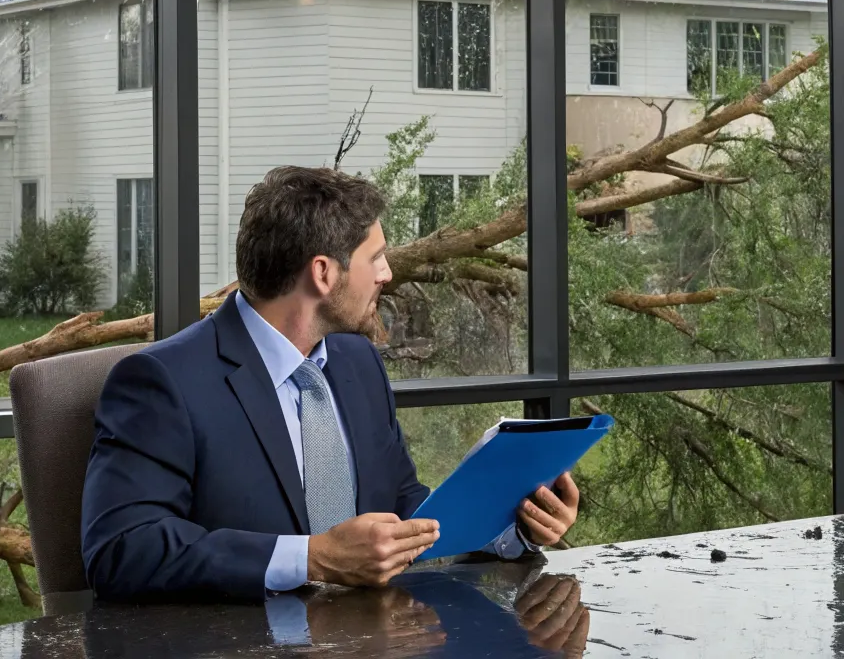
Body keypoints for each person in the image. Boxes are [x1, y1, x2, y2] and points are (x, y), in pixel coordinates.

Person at [80, 165, 583, 600]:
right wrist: (312, 558)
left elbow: (404, 506)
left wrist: (511, 526)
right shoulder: (162, 382)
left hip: (376, 637)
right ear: (323, 273)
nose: (386, 273)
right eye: (375, 257)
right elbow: (121, 549)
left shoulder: (356, 359)